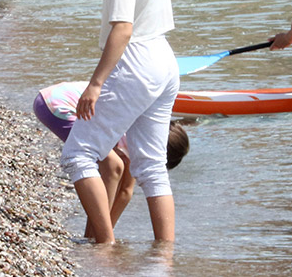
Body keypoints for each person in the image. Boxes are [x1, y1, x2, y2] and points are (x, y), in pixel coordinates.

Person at [62, 0, 179, 244]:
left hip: (136, 62)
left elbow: (123, 29)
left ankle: (105, 243)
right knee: (151, 167)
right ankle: (165, 255)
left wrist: (95, 84)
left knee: (78, 154)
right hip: (164, 61)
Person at [35, 81, 188, 239]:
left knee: (114, 166)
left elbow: (125, 191)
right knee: (113, 165)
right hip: (58, 104)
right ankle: (98, 239)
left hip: (56, 97)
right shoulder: (135, 136)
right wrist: (103, 234)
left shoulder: (142, 125)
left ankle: (98, 236)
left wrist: (108, 227)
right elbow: (122, 184)